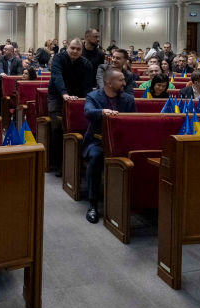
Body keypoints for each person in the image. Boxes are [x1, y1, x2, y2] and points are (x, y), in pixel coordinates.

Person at [82, 67, 136, 223]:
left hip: (122, 142)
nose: (124, 83)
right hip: (98, 141)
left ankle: (131, 203)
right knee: (96, 157)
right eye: (120, 80)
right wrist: (102, 112)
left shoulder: (128, 99)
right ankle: (92, 204)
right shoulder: (93, 96)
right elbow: (88, 112)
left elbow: (133, 121)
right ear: (108, 82)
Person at [47, 38, 96, 174]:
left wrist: (86, 102)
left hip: (76, 97)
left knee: (81, 127)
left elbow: (86, 86)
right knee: (57, 127)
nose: (75, 51)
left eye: (78, 49)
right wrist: (64, 94)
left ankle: (77, 162)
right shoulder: (58, 58)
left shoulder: (87, 64)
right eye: (72, 48)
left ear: (82, 51)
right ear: (67, 48)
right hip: (57, 96)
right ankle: (57, 163)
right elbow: (57, 77)